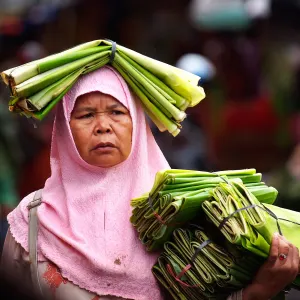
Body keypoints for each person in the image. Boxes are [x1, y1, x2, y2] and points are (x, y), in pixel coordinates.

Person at [0, 66, 299, 300]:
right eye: (86, 114)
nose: (103, 125)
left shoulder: (175, 212)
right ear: (64, 128)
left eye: (117, 112)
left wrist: (259, 290)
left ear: (138, 125)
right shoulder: (32, 220)